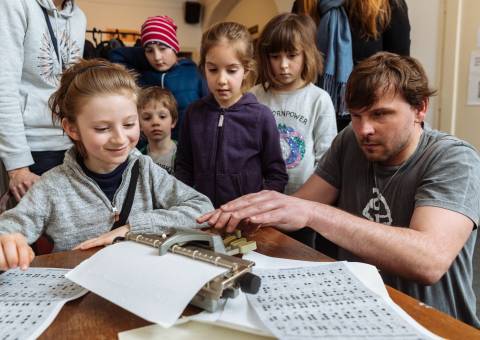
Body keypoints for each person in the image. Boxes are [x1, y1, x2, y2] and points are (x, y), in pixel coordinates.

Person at [199, 52, 480, 327]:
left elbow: (428, 261)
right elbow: (299, 207)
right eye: (356, 116)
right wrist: (252, 212)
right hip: (358, 312)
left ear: (420, 108)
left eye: (380, 114)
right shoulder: (351, 140)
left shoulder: (455, 159)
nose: (364, 129)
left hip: (435, 324)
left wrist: (313, 213)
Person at [0, 59, 213, 271]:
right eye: (102, 128)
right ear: (72, 128)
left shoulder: (145, 170)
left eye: (129, 124)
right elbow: (9, 228)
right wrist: (7, 243)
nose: (120, 139)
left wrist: (131, 228)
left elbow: (202, 208)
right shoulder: (51, 187)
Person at [175, 22, 288, 208]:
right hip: (200, 217)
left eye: (231, 70)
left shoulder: (261, 117)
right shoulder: (192, 113)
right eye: (212, 69)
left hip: (246, 221)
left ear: (246, 70)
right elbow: (183, 168)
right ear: (203, 68)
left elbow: (277, 175)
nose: (221, 80)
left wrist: (257, 209)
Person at [0, 0, 86, 202]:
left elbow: (71, 88)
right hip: (26, 147)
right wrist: (18, 166)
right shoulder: (14, 5)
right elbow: (4, 87)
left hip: (68, 146)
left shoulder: (79, 17)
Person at [251, 13, 336, 196]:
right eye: (275, 56)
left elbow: (326, 159)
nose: (283, 65)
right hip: (260, 196)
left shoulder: (319, 99)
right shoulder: (254, 96)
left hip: (306, 200)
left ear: (307, 54)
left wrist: (311, 197)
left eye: (292, 55)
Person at [293, 0, 411, 131]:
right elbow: (294, 61)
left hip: (369, 119)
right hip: (312, 115)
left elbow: (400, 70)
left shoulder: (389, 5)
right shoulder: (305, 4)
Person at [109, 15, 208, 141]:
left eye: (162, 48)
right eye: (149, 51)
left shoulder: (194, 73)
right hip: (149, 152)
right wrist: (147, 49)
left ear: (174, 47)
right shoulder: (141, 74)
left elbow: (209, 112)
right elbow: (115, 54)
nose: (157, 57)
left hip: (189, 150)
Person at [137, 86, 178, 174]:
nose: (155, 122)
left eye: (162, 116)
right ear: (139, 125)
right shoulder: (137, 158)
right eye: (147, 118)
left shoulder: (185, 154)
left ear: (173, 121)